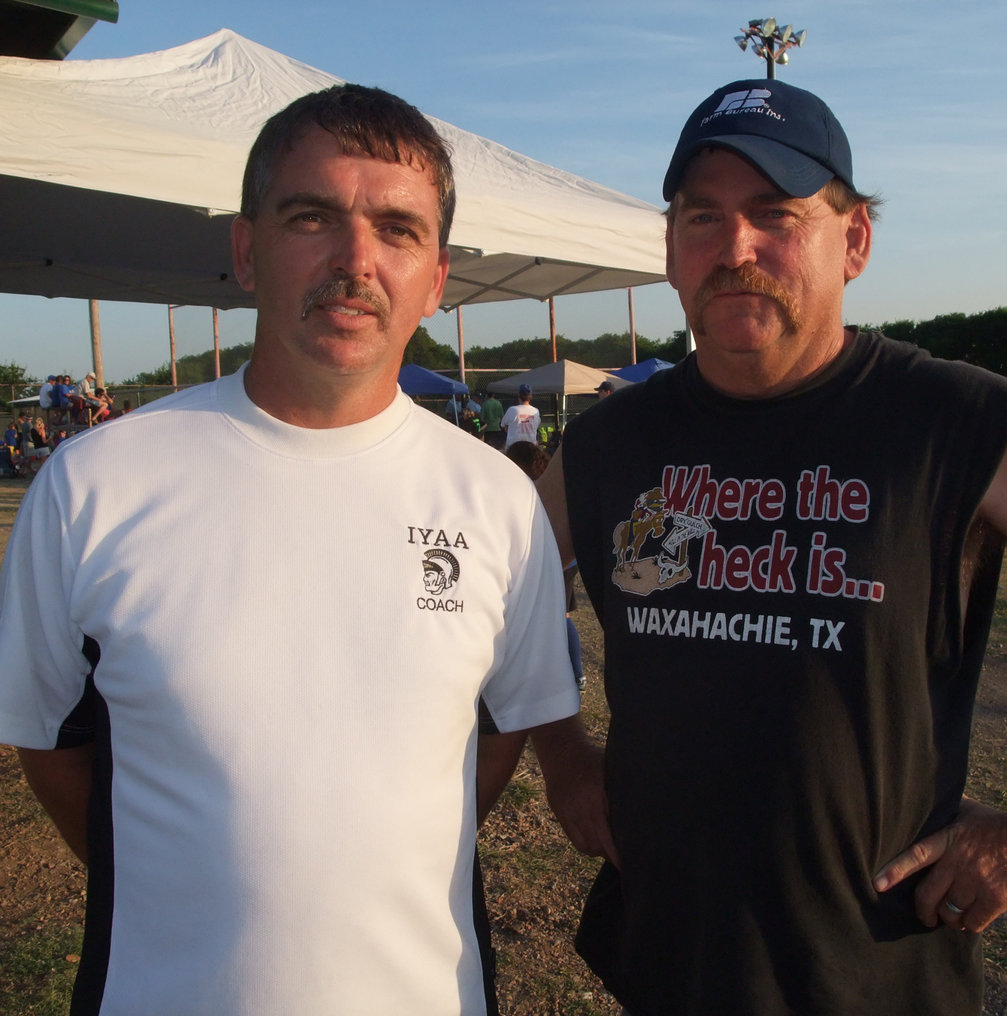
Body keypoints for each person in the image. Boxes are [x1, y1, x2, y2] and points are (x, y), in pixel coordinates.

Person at [535, 78, 1007, 1015]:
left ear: (854, 243)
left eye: (777, 214)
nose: (736, 248)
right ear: (672, 249)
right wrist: (562, 753)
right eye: (702, 218)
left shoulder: (957, 421)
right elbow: (505, 602)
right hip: (666, 960)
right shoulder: (607, 442)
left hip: (877, 973)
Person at [0, 84, 586, 1016]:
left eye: (399, 229)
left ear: (436, 277)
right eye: (313, 216)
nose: (357, 260)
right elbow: (52, 747)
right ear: (246, 249)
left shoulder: (495, 503)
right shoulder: (93, 486)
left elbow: (501, 728)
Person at [501, 382, 541, 448]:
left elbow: (503, 425)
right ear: (531, 396)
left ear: (519, 395)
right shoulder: (536, 411)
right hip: (531, 447)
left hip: (513, 448)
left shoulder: (512, 409)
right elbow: (536, 426)